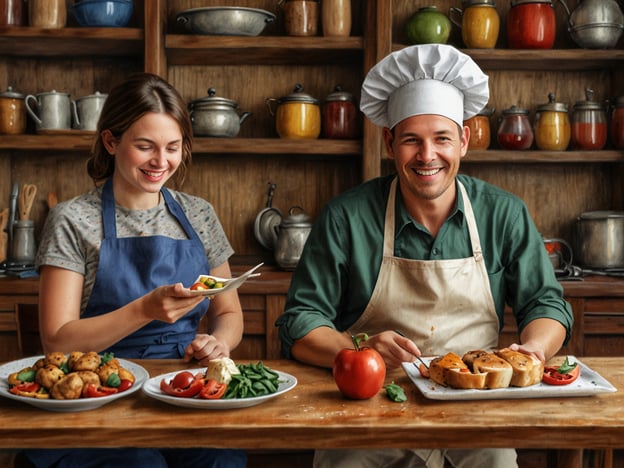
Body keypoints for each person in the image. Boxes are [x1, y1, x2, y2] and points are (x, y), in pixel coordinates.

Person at [276, 44, 573, 468]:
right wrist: (358, 347)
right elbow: (301, 321)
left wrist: (533, 350)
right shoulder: (347, 216)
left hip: (476, 405)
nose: (427, 155)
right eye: (412, 140)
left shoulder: (503, 214)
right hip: (371, 402)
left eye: (442, 139)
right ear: (389, 141)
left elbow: (545, 304)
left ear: (464, 141)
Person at [28, 73, 247, 467]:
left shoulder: (199, 214)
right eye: (145, 146)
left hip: (181, 388)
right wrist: (145, 309)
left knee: (223, 460)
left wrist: (220, 342)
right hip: (95, 393)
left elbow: (228, 312)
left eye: (173, 148)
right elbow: (57, 343)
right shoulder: (72, 219)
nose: (161, 162)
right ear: (111, 142)